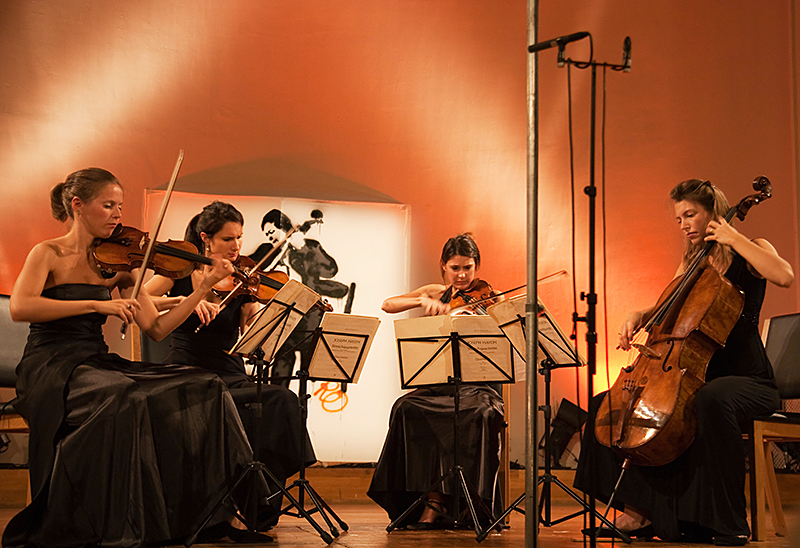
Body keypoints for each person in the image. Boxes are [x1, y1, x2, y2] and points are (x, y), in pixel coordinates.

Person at [3, 168, 255, 548]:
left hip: (95, 361)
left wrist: (201, 286)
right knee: (123, 394)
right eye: (108, 206)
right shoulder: (48, 252)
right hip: (51, 365)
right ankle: (115, 524)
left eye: (119, 206)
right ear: (78, 206)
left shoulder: (122, 263)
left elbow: (157, 328)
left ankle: (205, 515)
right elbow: (21, 308)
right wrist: (97, 305)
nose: (119, 215)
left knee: (203, 385)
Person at [573, 179, 794, 546]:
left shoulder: (752, 249)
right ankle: (637, 512)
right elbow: (667, 308)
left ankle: (729, 522)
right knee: (608, 406)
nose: (684, 224)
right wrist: (640, 315)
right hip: (695, 376)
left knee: (710, 401)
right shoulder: (692, 261)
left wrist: (732, 237)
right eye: (679, 219)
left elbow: (784, 275)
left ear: (713, 212)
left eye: (690, 214)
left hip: (748, 381)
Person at [144, 200, 317, 529]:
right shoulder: (181, 270)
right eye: (228, 239)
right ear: (205, 238)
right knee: (225, 405)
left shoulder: (243, 279)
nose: (237, 246)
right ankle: (223, 508)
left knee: (280, 400)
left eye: (239, 237)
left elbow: (252, 328)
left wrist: (264, 319)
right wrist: (184, 301)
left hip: (230, 372)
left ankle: (255, 504)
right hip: (188, 371)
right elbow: (142, 297)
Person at [367, 233, 506, 529]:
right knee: (406, 407)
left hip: (480, 387)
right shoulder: (437, 291)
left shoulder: (491, 296)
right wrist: (421, 299)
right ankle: (427, 499)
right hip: (441, 383)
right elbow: (387, 304)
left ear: (476, 266)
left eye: (468, 268)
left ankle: (470, 505)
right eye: (455, 268)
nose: (462, 275)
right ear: (444, 265)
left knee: (477, 413)